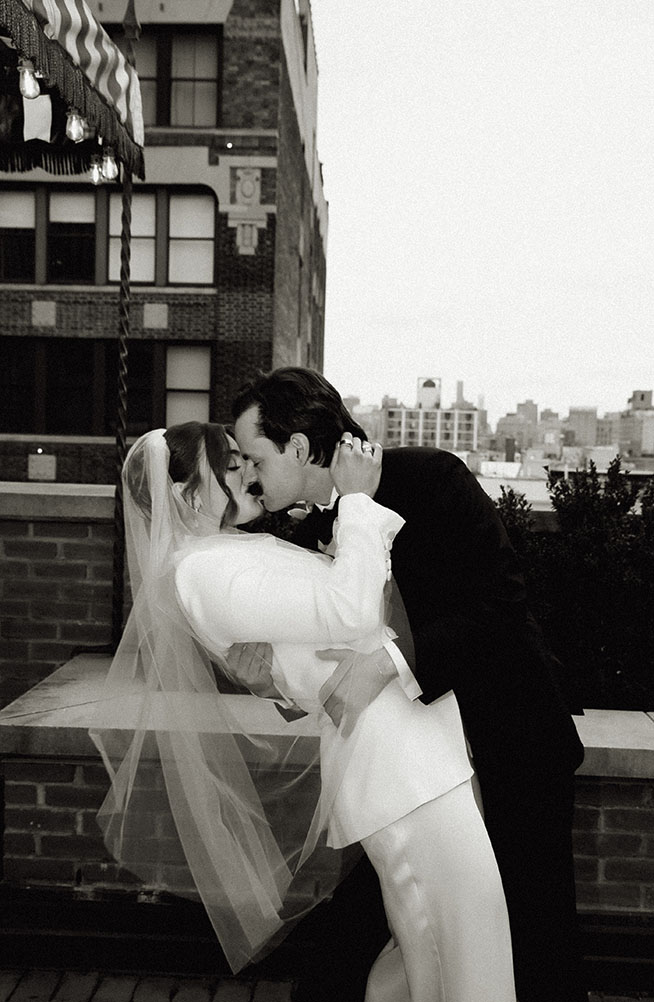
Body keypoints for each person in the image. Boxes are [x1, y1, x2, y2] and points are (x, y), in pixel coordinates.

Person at [92, 420, 517, 1002]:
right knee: (456, 949)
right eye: (230, 462)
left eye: (246, 458)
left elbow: (305, 657)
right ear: (189, 495)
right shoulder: (203, 573)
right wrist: (360, 503)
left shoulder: (226, 553)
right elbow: (349, 612)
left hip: (416, 750)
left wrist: (285, 681)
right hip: (395, 767)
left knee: (439, 945)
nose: (246, 470)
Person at [232, 367, 588, 1002]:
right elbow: (318, 665)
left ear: (299, 447)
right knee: (349, 954)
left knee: (538, 951)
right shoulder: (290, 533)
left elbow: (498, 612)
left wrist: (386, 661)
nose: (249, 475)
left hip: (506, 746)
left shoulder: (431, 478)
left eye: (254, 456)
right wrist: (273, 685)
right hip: (409, 782)